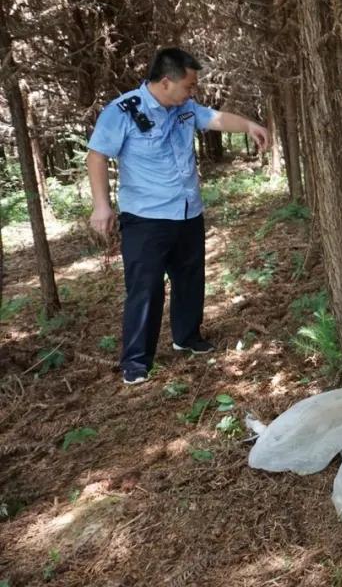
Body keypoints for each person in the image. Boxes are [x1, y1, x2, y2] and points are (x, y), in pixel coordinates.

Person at [86, 48, 269, 385]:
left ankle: (186, 336)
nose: (193, 91)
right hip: (146, 217)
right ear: (166, 81)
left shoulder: (184, 108)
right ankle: (137, 361)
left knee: (189, 278)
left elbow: (214, 118)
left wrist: (248, 125)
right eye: (189, 85)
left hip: (187, 211)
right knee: (145, 288)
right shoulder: (124, 111)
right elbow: (97, 155)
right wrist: (101, 204)